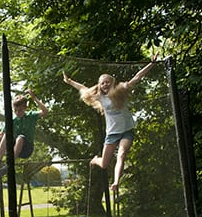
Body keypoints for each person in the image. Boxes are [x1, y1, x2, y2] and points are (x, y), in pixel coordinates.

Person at [62, 54, 158, 192]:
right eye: (102, 83)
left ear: (113, 83)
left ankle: (116, 182)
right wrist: (69, 81)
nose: (105, 84)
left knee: (122, 154)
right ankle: (95, 160)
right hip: (112, 133)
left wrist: (151, 64)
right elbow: (83, 88)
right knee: (104, 164)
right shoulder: (99, 97)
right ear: (99, 85)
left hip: (126, 130)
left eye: (108, 82)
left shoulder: (121, 91)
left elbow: (136, 78)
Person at [0, 89, 49, 175]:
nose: (17, 112)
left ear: (25, 108)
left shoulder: (31, 116)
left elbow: (45, 111)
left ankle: (9, 166)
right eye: (15, 110)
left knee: (20, 137)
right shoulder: (13, 120)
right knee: (6, 135)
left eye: (20, 110)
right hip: (14, 147)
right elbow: (1, 135)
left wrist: (33, 97)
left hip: (26, 149)